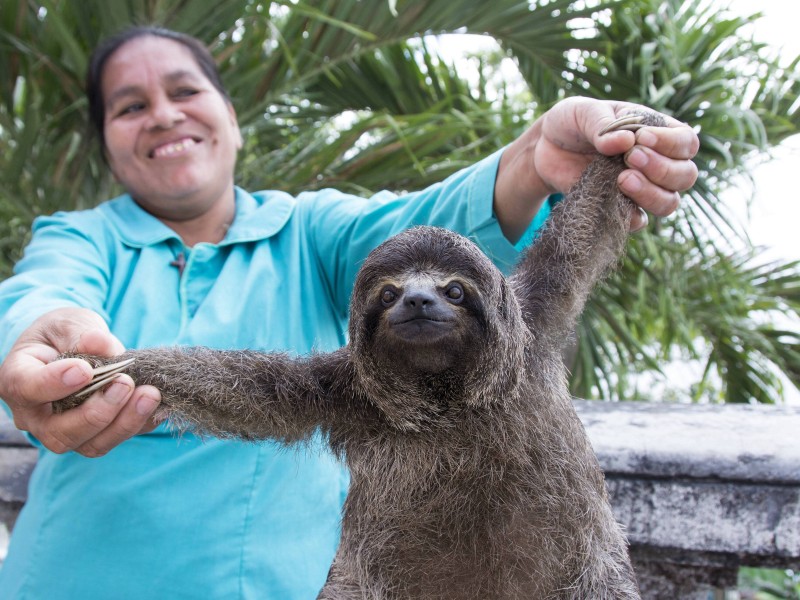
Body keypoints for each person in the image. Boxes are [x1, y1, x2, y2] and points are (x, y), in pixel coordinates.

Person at [0, 25, 699, 600]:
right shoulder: (80, 236)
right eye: (130, 106)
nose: (163, 114)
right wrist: (52, 350)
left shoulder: (310, 231)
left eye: (185, 91)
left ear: (231, 117)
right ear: (107, 141)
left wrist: (559, 154)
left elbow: (447, 227)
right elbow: (40, 294)